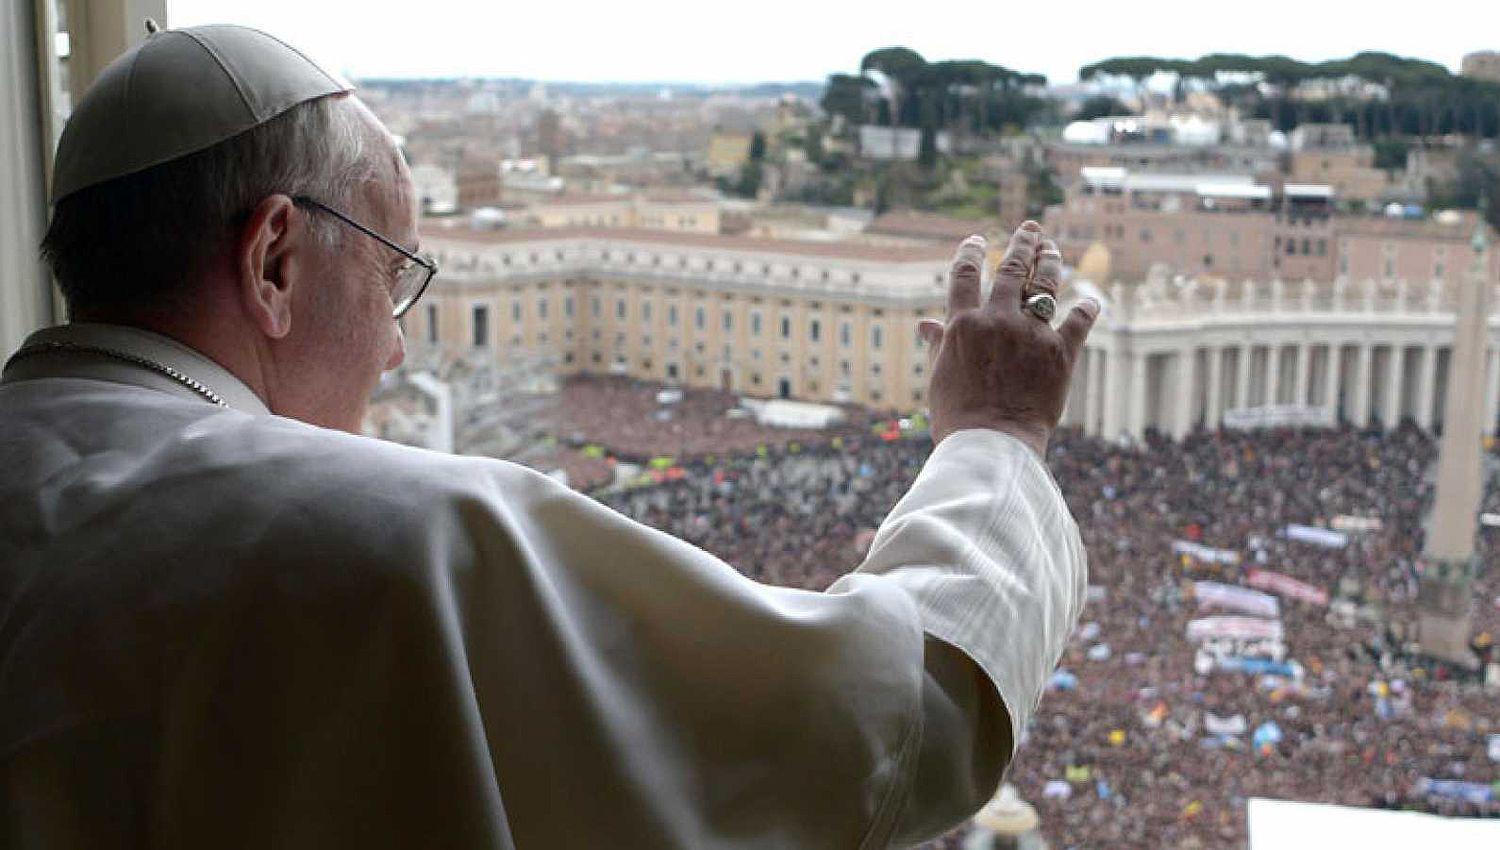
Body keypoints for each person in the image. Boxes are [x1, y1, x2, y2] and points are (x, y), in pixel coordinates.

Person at [0, 23, 1097, 849]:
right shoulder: (399, 536)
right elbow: (891, 723)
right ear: (274, 260)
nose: (392, 348)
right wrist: (997, 434)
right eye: (393, 278)